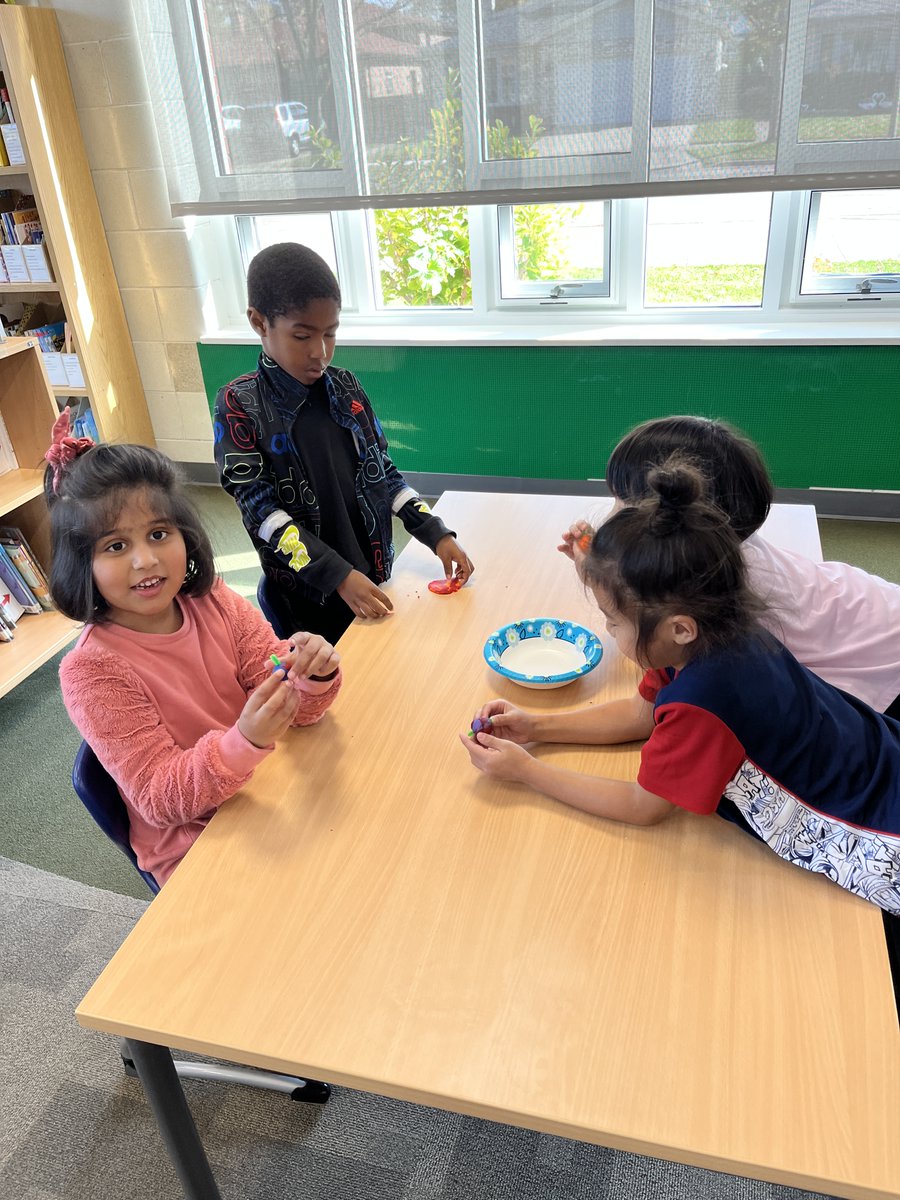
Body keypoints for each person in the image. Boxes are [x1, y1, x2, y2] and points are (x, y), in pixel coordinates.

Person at [461, 457, 900, 920]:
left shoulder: (702, 701)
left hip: (874, 833)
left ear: (679, 628)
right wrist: (537, 726)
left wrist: (528, 773)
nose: (610, 632)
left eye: (614, 621)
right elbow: (639, 714)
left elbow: (643, 805)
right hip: (878, 755)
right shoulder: (720, 629)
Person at [46, 415, 342, 887]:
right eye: (116, 545)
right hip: (194, 846)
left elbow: (294, 707)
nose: (146, 560)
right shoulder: (90, 670)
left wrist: (311, 676)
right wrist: (245, 740)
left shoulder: (214, 599)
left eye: (159, 534)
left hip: (260, 788)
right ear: (82, 563)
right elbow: (159, 799)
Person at [212, 242, 474, 644]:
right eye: (302, 336)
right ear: (259, 322)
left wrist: (435, 532)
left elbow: (383, 473)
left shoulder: (346, 386)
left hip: (372, 574)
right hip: (309, 596)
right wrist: (336, 575)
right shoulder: (238, 404)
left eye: (331, 334)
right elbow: (261, 513)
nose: (320, 352)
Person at [559, 415, 900, 719]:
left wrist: (602, 575)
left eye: (623, 503)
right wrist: (603, 570)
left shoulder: (717, 588)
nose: (611, 516)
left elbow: (653, 649)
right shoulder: (714, 548)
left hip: (886, 664)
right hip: (871, 610)